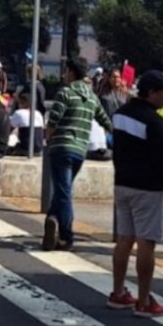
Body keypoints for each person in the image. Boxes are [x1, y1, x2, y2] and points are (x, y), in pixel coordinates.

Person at [107, 70, 163, 317]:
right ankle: (145, 299)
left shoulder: (120, 115)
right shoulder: (154, 121)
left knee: (124, 239)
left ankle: (118, 292)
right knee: (146, 242)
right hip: (149, 188)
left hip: (123, 183)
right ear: (151, 93)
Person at [41, 57, 111, 251]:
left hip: (61, 148)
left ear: (71, 72)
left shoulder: (65, 93)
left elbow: (53, 122)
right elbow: (106, 121)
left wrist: (48, 139)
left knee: (64, 193)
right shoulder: (92, 97)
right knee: (64, 189)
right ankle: (52, 219)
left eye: (66, 71)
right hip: (80, 150)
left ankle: (66, 235)